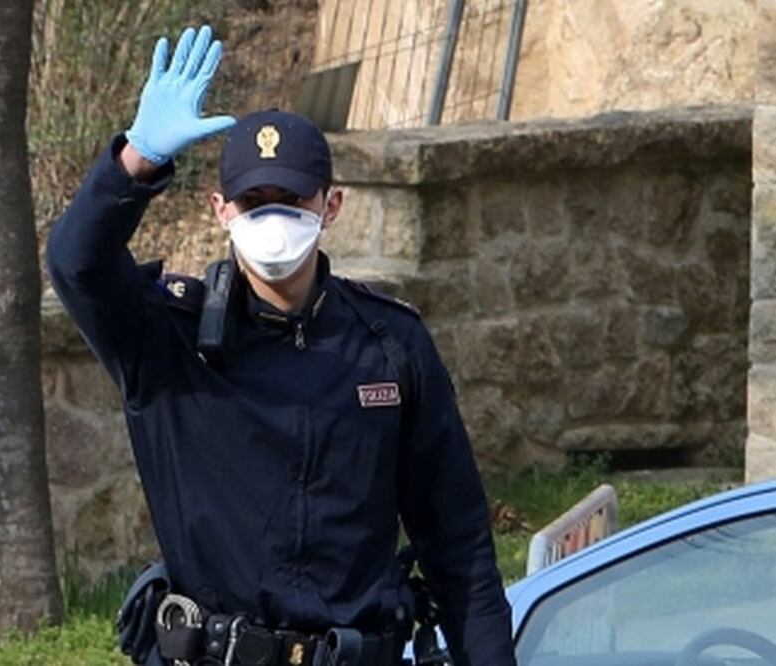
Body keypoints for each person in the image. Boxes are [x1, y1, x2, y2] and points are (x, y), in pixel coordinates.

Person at [47, 25, 515, 666]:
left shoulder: (389, 345)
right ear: (220, 209)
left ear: (332, 207)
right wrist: (137, 159)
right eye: (252, 201)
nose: (272, 218)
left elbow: (459, 550)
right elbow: (77, 263)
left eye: (292, 200)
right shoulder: (166, 339)